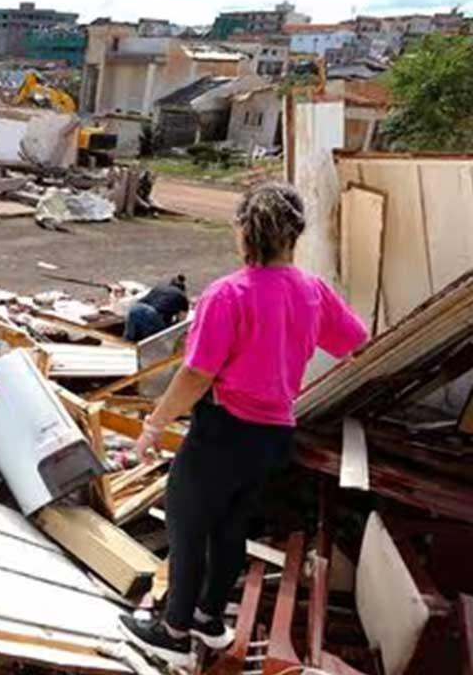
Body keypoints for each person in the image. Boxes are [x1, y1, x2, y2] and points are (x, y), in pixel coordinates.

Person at [118, 182, 368, 667]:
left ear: (245, 231)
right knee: (231, 528)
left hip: (225, 430)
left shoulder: (228, 293)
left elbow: (196, 373)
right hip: (275, 436)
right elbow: (355, 342)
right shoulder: (312, 290)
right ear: (294, 234)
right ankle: (210, 621)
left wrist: (154, 424)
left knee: (187, 524)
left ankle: (173, 633)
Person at [124, 275, 189, 342]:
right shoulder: (182, 296)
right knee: (152, 340)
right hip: (152, 314)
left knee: (129, 339)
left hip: (135, 308)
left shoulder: (159, 287)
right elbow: (181, 322)